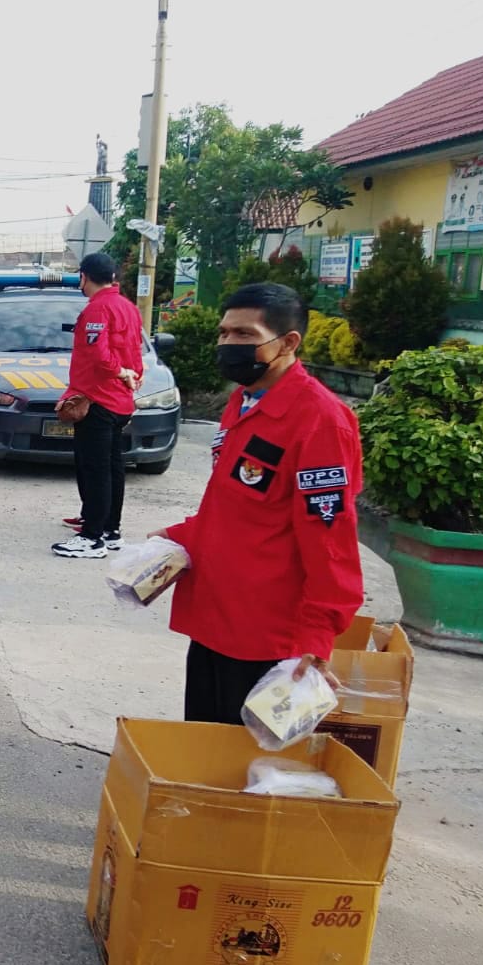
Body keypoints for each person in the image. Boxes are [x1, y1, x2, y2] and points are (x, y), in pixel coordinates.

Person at [149, 282, 363, 725]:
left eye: (244, 335)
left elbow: (330, 540)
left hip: (265, 636)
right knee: (204, 745)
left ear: (287, 343)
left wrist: (317, 633)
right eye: (224, 333)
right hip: (215, 619)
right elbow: (237, 503)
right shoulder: (244, 401)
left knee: (245, 768)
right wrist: (180, 538)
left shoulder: (318, 421)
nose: (228, 344)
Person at [51, 253, 144, 559]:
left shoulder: (98, 309)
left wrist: (120, 373)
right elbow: (133, 352)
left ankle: (92, 537)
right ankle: (110, 529)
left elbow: (98, 355)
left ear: (84, 276)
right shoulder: (128, 308)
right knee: (113, 467)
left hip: (97, 399)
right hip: (118, 400)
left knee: (95, 469)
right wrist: (131, 377)